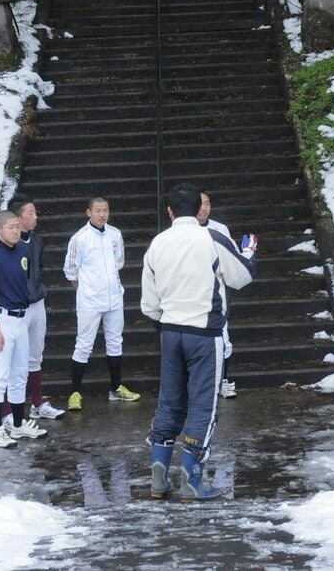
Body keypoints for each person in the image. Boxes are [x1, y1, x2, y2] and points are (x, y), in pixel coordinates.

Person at [142, 183, 257, 501]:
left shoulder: (158, 243)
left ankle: (159, 475)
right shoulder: (212, 238)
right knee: (203, 406)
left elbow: (149, 304)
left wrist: (166, 322)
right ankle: (192, 479)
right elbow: (241, 277)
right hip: (205, 334)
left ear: (169, 212)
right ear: (199, 210)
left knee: (169, 402)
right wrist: (249, 253)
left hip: (169, 331)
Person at [0, 210, 49, 447]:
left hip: (21, 318)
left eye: (18, 226)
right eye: (10, 227)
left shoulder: (23, 252)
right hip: (1, 319)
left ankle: (17, 425)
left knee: (20, 374)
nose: (16, 231)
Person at [64, 196, 141, 409]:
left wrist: (113, 287)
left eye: (105, 210)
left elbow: (119, 261)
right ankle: (75, 392)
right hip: (89, 300)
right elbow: (70, 270)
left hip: (114, 298)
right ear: (88, 212)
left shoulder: (115, 235)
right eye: (97, 210)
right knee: (84, 344)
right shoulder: (79, 238)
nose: (102, 214)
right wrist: (84, 291)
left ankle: (116, 388)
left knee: (115, 342)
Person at [9, 194, 66, 422]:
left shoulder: (37, 241)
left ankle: (38, 403)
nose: (35, 217)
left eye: (35, 212)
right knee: (15, 358)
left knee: (35, 355)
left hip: (37, 302)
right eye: (30, 213)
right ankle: (8, 411)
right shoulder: (8, 246)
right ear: (17, 217)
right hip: (17, 307)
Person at [197, 190, 238, 398]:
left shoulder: (220, 229)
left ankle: (223, 380)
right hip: (192, 290)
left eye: (208, 204)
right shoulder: (183, 230)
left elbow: (231, 256)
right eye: (200, 204)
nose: (204, 208)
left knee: (223, 334)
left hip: (217, 290)